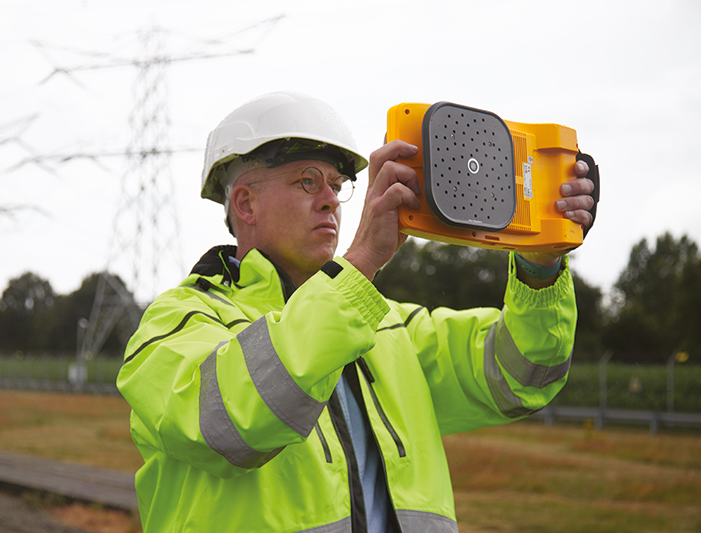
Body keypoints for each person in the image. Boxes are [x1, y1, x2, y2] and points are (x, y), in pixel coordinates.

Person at [117, 91, 596, 533]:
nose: (330, 199)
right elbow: (230, 427)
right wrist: (363, 261)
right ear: (245, 202)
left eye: (338, 184)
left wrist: (541, 264)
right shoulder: (178, 322)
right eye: (307, 181)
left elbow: (521, 374)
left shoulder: (387, 326)